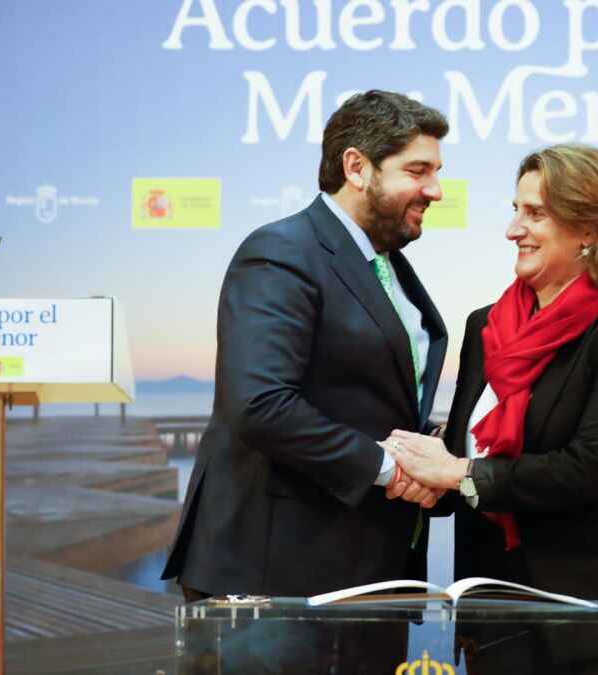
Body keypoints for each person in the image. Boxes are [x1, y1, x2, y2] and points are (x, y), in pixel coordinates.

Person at [386, 144, 598, 673]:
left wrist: (456, 472)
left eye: (535, 214)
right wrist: (421, 468)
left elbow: (591, 469)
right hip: (494, 619)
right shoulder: (484, 325)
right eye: (515, 210)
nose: (512, 230)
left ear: (588, 230)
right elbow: (469, 456)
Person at [161, 90, 451, 606]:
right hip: (275, 576)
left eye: (436, 172)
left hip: (366, 569)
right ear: (357, 167)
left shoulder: (388, 267)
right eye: (418, 171)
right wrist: (393, 469)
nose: (436, 190)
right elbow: (261, 404)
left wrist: (434, 447)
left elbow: (370, 399)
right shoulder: (281, 251)